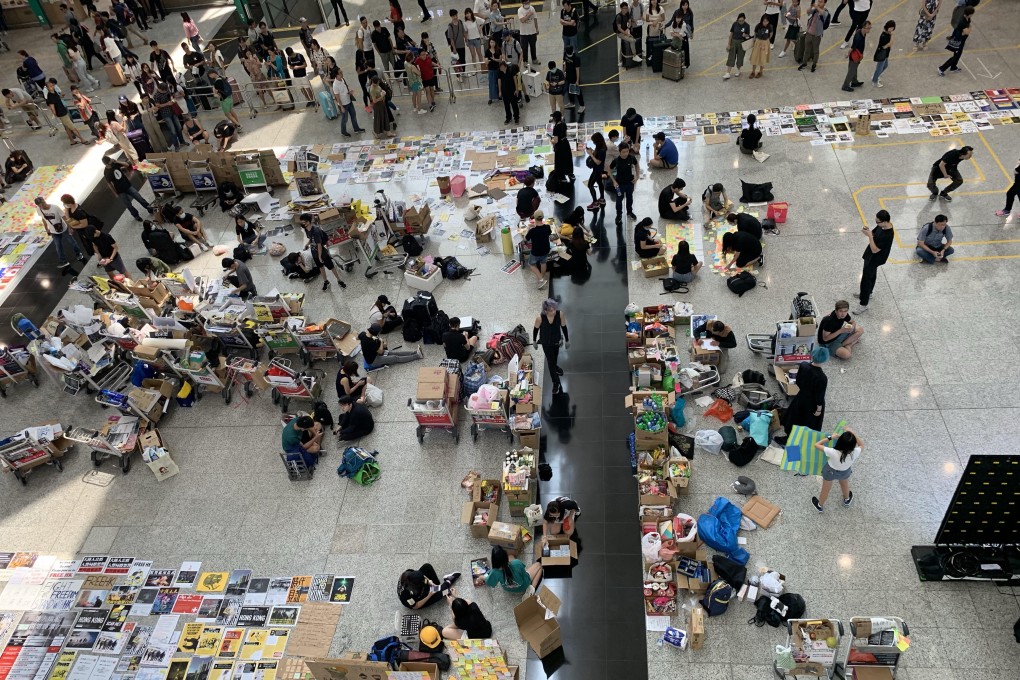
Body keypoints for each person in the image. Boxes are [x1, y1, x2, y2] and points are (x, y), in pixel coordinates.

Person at [776, 346, 828, 446]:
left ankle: (789, 436)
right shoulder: (822, 378)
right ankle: (802, 441)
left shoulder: (804, 365)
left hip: (801, 397)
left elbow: (798, 381)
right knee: (809, 423)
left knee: (795, 417)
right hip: (812, 404)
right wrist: (818, 410)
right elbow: (819, 396)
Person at [811, 429, 862, 512]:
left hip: (830, 471)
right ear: (853, 445)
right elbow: (861, 445)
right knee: (844, 484)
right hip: (845, 471)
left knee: (826, 489)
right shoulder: (855, 452)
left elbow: (816, 445)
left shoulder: (833, 451)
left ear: (839, 442)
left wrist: (831, 437)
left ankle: (820, 505)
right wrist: (854, 434)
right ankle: (847, 499)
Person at [298, 212, 347, 290]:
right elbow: (311, 239)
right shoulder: (307, 229)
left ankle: (339, 280)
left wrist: (320, 256)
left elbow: (319, 245)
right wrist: (307, 244)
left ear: (308, 221)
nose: (303, 224)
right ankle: (326, 281)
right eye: (302, 222)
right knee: (321, 267)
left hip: (322, 253)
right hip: (314, 252)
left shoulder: (316, 231)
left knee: (331, 267)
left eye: (304, 222)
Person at [36, 196, 85, 270]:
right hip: (53, 231)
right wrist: (46, 228)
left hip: (63, 228)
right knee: (58, 246)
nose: (41, 207)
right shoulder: (39, 209)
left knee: (72, 242)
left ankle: (79, 253)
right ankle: (63, 261)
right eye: (39, 206)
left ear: (44, 202)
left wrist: (69, 227)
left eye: (42, 204)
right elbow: (43, 219)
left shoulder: (55, 208)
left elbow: (64, 217)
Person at [534, 298, 569, 393]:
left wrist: (567, 340)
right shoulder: (540, 318)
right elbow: (536, 329)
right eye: (550, 310)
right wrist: (534, 341)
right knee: (550, 362)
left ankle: (556, 367)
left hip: (556, 342)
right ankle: (556, 382)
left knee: (554, 358)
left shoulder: (560, 314)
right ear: (545, 311)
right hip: (546, 343)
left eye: (554, 309)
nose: (553, 311)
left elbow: (564, 327)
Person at [103, 156, 152, 221]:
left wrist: (117, 161)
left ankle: (148, 207)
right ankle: (136, 215)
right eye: (109, 163)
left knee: (139, 197)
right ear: (106, 164)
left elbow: (127, 165)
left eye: (110, 161)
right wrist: (115, 193)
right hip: (120, 190)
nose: (110, 164)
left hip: (127, 185)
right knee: (128, 205)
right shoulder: (106, 173)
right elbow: (109, 183)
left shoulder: (114, 164)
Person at [477, 546, 542, 594]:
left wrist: (481, 577)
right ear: (506, 557)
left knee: (512, 556)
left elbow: (488, 582)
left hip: (508, 589)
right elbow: (524, 575)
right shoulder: (517, 563)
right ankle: (531, 589)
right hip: (523, 585)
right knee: (539, 565)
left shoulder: (494, 572)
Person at [45, 80, 90, 147]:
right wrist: (54, 114)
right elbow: (52, 107)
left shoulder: (54, 92)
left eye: (52, 85)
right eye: (50, 86)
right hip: (62, 114)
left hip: (63, 111)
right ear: (47, 88)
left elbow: (57, 99)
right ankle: (82, 139)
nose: (52, 87)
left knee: (67, 127)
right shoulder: (50, 97)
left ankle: (72, 141)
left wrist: (61, 97)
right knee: (73, 127)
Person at [609, 143, 640, 225]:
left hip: (630, 183)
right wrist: (614, 181)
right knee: (619, 200)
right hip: (619, 184)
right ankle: (619, 215)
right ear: (619, 152)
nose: (626, 153)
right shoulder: (616, 160)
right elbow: (609, 169)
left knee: (630, 198)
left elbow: (637, 165)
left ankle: (629, 212)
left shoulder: (631, 158)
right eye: (623, 152)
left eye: (627, 151)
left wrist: (637, 176)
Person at [938, 6, 973, 76]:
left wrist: (967, 29)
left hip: (962, 40)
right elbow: (967, 32)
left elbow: (967, 31)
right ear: (969, 14)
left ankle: (953, 67)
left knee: (958, 55)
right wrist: (968, 29)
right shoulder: (962, 22)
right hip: (958, 41)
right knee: (955, 57)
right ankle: (941, 68)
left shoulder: (968, 19)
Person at [798, 0, 830, 73]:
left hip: (816, 35)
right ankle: (804, 63)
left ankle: (814, 64)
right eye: (818, 1)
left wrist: (816, 7)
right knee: (807, 49)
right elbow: (808, 12)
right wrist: (811, 6)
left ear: (825, 3)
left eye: (821, 2)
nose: (819, 3)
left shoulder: (825, 12)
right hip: (809, 33)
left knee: (815, 50)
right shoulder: (815, 10)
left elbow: (823, 14)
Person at [524, 210, 552, 288]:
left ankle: (541, 279)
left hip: (536, 251)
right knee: (543, 263)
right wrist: (535, 226)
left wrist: (528, 228)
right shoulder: (547, 227)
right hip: (545, 249)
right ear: (542, 218)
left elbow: (525, 239)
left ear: (535, 219)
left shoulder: (532, 231)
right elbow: (548, 232)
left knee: (531, 264)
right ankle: (541, 276)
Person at [841, 20, 870, 92]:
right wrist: (847, 54)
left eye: (870, 28)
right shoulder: (858, 38)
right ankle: (845, 86)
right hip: (854, 56)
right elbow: (852, 48)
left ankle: (854, 82)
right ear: (863, 27)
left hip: (858, 55)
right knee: (851, 71)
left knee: (854, 69)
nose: (869, 29)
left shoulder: (862, 32)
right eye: (868, 28)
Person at [724, 12, 751, 79]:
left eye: (742, 21)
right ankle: (728, 73)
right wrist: (729, 44)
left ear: (744, 19)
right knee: (731, 56)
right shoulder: (734, 24)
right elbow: (731, 34)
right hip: (734, 41)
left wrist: (745, 35)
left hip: (742, 43)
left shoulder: (747, 26)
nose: (740, 22)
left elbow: (748, 35)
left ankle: (738, 70)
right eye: (739, 20)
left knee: (740, 57)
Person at [585, 132, 607, 210]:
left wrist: (591, 154)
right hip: (599, 169)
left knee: (590, 185)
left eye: (594, 141)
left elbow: (598, 162)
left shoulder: (602, 150)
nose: (593, 142)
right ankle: (602, 199)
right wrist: (592, 151)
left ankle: (595, 203)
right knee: (600, 183)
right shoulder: (601, 148)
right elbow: (598, 156)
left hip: (597, 170)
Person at [550, 111, 573, 181]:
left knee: (560, 161)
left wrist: (552, 141)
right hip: (565, 143)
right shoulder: (563, 123)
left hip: (559, 146)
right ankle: (569, 172)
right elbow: (565, 134)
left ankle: (561, 176)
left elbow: (556, 141)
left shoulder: (556, 127)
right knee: (567, 159)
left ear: (555, 118)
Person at [871, 20, 895, 86]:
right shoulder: (884, 36)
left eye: (893, 28)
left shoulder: (888, 34)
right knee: (879, 68)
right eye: (890, 28)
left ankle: (875, 76)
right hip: (881, 54)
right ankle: (874, 80)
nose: (891, 29)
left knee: (885, 65)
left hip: (885, 53)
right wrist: (892, 36)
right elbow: (889, 44)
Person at [517, 0, 539, 70]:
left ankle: (534, 59)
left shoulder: (532, 8)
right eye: (526, 3)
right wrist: (529, 14)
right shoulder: (520, 10)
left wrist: (537, 28)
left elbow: (535, 19)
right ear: (523, 3)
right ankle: (525, 61)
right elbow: (522, 20)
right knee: (524, 48)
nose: (527, 4)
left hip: (532, 31)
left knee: (533, 46)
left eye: (528, 2)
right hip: (524, 33)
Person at [748, 13, 772, 78]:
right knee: (755, 57)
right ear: (762, 21)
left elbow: (771, 34)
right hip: (758, 42)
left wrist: (767, 41)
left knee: (762, 58)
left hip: (765, 42)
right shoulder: (758, 26)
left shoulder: (770, 26)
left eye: (767, 21)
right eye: (764, 21)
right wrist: (754, 41)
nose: (765, 23)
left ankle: (760, 72)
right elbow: (755, 34)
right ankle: (753, 72)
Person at [497, 60, 519, 125]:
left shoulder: (511, 70)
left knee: (514, 104)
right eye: (500, 68)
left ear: (505, 66)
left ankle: (516, 117)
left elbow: (515, 79)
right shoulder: (499, 72)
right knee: (506, 105)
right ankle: (508, 117)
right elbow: (499, 81)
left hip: (512, 90)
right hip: (504, 91)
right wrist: (500, 91)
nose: (501, 69)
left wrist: (516, 89)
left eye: (502, 67)